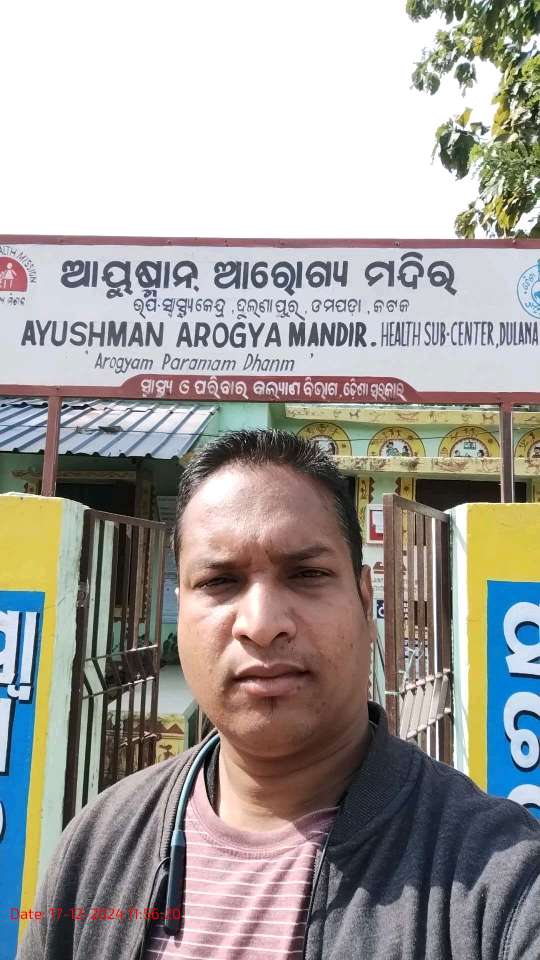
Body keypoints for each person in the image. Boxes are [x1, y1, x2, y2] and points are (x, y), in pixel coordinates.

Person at [18, 429, 540, 960]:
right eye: (219, 581)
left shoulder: (500, 882)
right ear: (181, 605)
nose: (262, 625)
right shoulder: (99, 848)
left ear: (364, 601)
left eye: (307, 573)